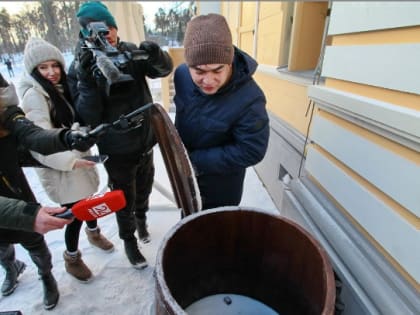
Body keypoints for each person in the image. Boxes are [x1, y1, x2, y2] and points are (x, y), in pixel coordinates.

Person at [67, 1, 173, 269]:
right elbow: (86, 115)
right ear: (86, 34)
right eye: (100, 30)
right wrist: (87, 79)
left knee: (145, 189)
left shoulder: (128, 51)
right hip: (116, 149)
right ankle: (129, 241)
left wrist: (156, 54)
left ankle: (142, 221)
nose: (108, 35)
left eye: (111, 28)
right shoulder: (79, 67)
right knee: (122, 198)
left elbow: (162, 70)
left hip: (145, 141)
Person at [18, 37, 114, 283]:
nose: (51, 72)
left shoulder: (60, 89)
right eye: (43, 68)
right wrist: (71, 161)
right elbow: (38, 142)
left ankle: (94, 233)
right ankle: (71, 257)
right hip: (60, 167)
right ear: (33, 71)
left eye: (55, 65)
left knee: (88, 201)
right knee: (73, 215)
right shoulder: (34, 96)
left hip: (76, 159)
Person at [0, 72, 97, 310]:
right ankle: (10, 267)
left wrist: (67, 139)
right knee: (2, 246)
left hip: (18, 197)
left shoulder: (7, 114)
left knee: (34, 244)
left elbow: (33, 138)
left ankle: (46, 276)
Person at [173, 14, 270, 210]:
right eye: (199, 72)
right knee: (188, 224)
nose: (208, 81)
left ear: (230, 61)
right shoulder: (182, 75)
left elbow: (252, 150)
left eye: (217, 70)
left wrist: (195, 161)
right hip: (185, 179)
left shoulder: (250, 99)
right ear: (188, 66)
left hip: (221, 187)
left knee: (215, 234)